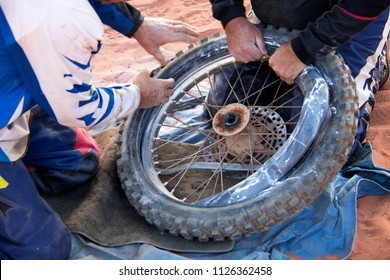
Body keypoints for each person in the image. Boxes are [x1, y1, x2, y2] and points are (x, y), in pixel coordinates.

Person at [0, 0, 199, 259]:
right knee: (42, 251)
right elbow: (80, 110)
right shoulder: (56, 17)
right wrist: (138, 95)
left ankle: (16, 180)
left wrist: (137, 25)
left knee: (79, 160)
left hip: (11, 100)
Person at [209, 0, 390, 151]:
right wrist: (232, 16)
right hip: (275, 12)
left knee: (316, 140)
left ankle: (374, 66)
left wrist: (305, 48)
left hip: (351, 20)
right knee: (221, 110)